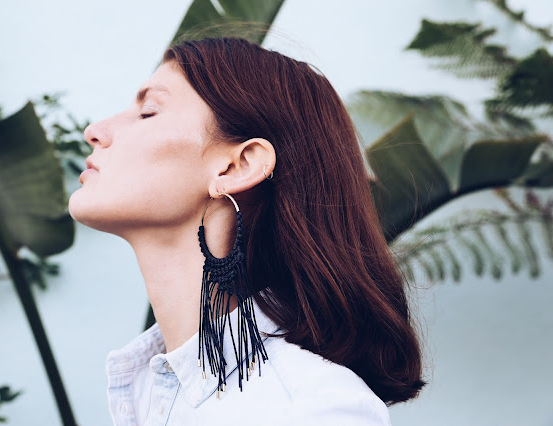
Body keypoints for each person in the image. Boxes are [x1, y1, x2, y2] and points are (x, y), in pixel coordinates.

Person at [69, 37, 425, 426]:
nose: (95, 131)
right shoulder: (146, 389)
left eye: (148, 112)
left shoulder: (313, 408)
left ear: (238, 167)